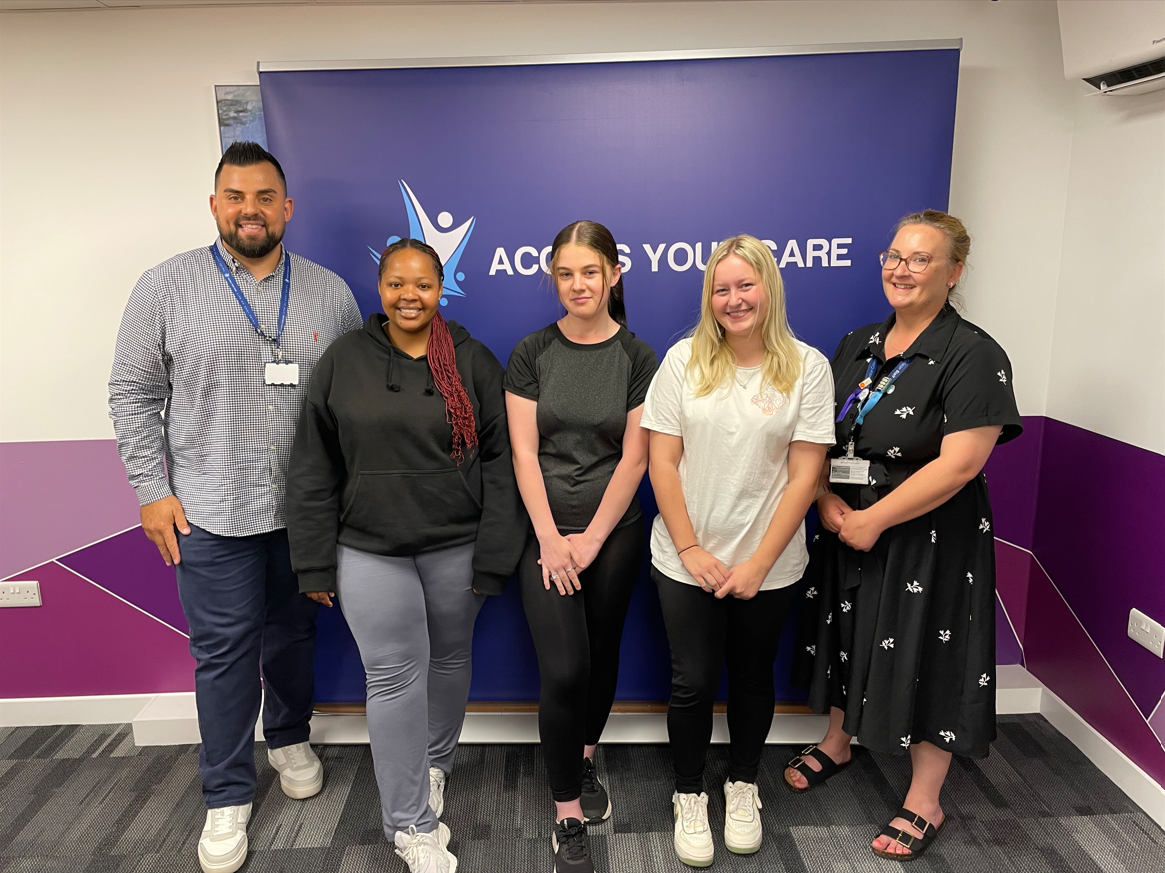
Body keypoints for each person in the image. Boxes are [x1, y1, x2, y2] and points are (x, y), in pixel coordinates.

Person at [108, 141, 363, 873]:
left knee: (293, 637)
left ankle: (287, 735)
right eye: (234, 195)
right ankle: (226, 792)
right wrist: (150, 489)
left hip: (303, 513)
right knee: (221, 656)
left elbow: (350, 403)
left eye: (263, 197)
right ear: (215, 204)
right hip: (209, 511)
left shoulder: (330, 292)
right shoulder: (164, 287)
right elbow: (132, 394)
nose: (248, 209)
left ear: (286, 208)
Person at [787, 210, 1023, 861]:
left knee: (929, 649)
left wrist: (872, 518)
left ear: (953, 271)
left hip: (930, 538)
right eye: (893, 255)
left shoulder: (972, 352)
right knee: (849, 632)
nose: (900, 268)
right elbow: (819, 435)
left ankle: (924, 796)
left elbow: (961, 462)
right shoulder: (857, 342)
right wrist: (827, 499)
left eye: (919, 258)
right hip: (844, 522)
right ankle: (840, 740)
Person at [285, 238, 524, 873]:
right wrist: (311, 561)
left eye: (422, 285)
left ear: (441, 290)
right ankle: (410, 824)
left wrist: (496, 554)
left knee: (449, 660)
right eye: (396, 283)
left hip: (457, 543)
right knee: (392, 676)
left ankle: (434, 764)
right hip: (369, 548)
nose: (408, 296)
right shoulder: (344, 360)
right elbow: (312, 467)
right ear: (381, 288)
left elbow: (503, 465)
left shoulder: (472, 361)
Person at [642, 235, 835, 868]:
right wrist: (692, 548)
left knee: (754, 678)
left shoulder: (808, 366)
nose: (734, 300)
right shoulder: (681, 361)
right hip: (685, 558)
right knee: (693, 682)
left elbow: (806, 475)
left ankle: (743, 783)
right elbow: (661, 461)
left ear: (769, 289)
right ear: (710, 298)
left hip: (771, 564)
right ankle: (690, 792)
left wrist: (757, 564)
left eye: (745, 286)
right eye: (722, 289)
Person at [505, 220, 657, 873]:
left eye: (588, 272)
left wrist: (591, 540)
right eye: (565, 273)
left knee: (597, 659)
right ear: (553, 278)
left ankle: (584, 755)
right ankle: (566, 809)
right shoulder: (531, 351)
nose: (577, 285)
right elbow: (522, 450)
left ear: (612, 274)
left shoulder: (637, 357)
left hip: (612, 535)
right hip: (543, 535)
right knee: (564, 669)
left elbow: (633, 460)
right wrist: (550, 539)